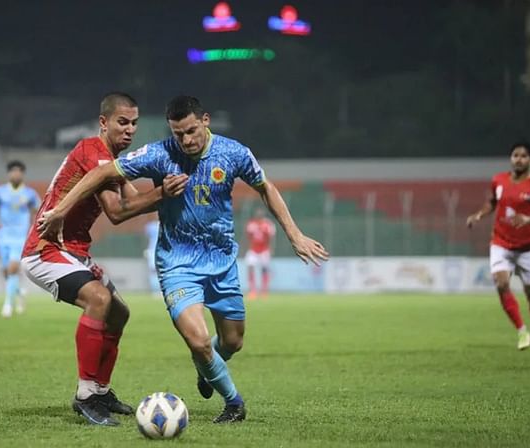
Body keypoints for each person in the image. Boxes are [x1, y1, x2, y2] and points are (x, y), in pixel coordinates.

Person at [39, 95, 328, 423]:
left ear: (205, 120)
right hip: (177, 263)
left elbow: (267, 188)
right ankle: (234, 402)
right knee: (199, 341)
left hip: (221, 261)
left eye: (191, 131)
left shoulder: (233, 152)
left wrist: (295, 234)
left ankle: (206, 369)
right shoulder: (160, 154)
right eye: (179, 134)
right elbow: (101, 174)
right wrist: (61, 209)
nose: (186, 140)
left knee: (232, 342)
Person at [20, 92, 188, 426]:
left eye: (134, 123)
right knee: (98, 299)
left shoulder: (112, 161)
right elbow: (116, 212)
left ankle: (101, 390)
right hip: (45, 250)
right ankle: (85, 395)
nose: (129, 130)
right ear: (103, 122)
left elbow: (134, 203)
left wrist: (163, 191)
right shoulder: (92, 152)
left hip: (74, 252)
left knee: (119, 312)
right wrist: (162, 193)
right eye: (122, 122)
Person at [466, 142, 530, 351]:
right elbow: (492, 203)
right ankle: (522, 331)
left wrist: (529, 219)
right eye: (515, 155)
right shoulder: (499, 180)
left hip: (526, 249)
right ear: (510, 158)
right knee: (501, 283)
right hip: (501, 243)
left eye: (523, 156)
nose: (519, 159)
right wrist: (478, 215)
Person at [0, 160, 40, 318]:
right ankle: (19, 291)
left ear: (22, 174)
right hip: (3, 236)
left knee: (12, 268)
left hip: (20, 237)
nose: (15, 174)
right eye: (13, 171)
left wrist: (35, 226)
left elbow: (39, 209)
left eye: (18, 171)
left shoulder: (30, 194)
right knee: (6, 272)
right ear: (8, 174)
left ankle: (8, 305)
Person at [244, 207, 275, 299]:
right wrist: (245, 248)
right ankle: (252, 290)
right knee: (250, 267)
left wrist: (271, 249)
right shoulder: (251, 224)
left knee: (264, 269)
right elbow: (247, 237)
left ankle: (264, 290)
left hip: (264, 250)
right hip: (253, 250)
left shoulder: (268, 224)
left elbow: (271, 238)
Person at [144, 219, 161, 293]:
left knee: (153, 271)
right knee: (157, 271)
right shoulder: (165, 224)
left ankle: (156, 290)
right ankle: (157, 290)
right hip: (159, 250)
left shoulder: (151, 226)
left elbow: (146, 236)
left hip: (153, 250)